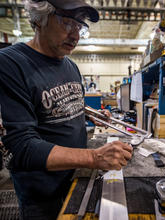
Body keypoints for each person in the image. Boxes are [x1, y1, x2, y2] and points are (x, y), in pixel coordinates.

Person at [0, 0, 133, 219]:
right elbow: (22, 146)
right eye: (67, 23)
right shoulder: (11, 64)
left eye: (80, 26)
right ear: (40, 18)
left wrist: (90, 115)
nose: (76, 35)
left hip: (75, 177)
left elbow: (64, 108)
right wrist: (93, 158)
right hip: (42, 193)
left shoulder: (70, 66)